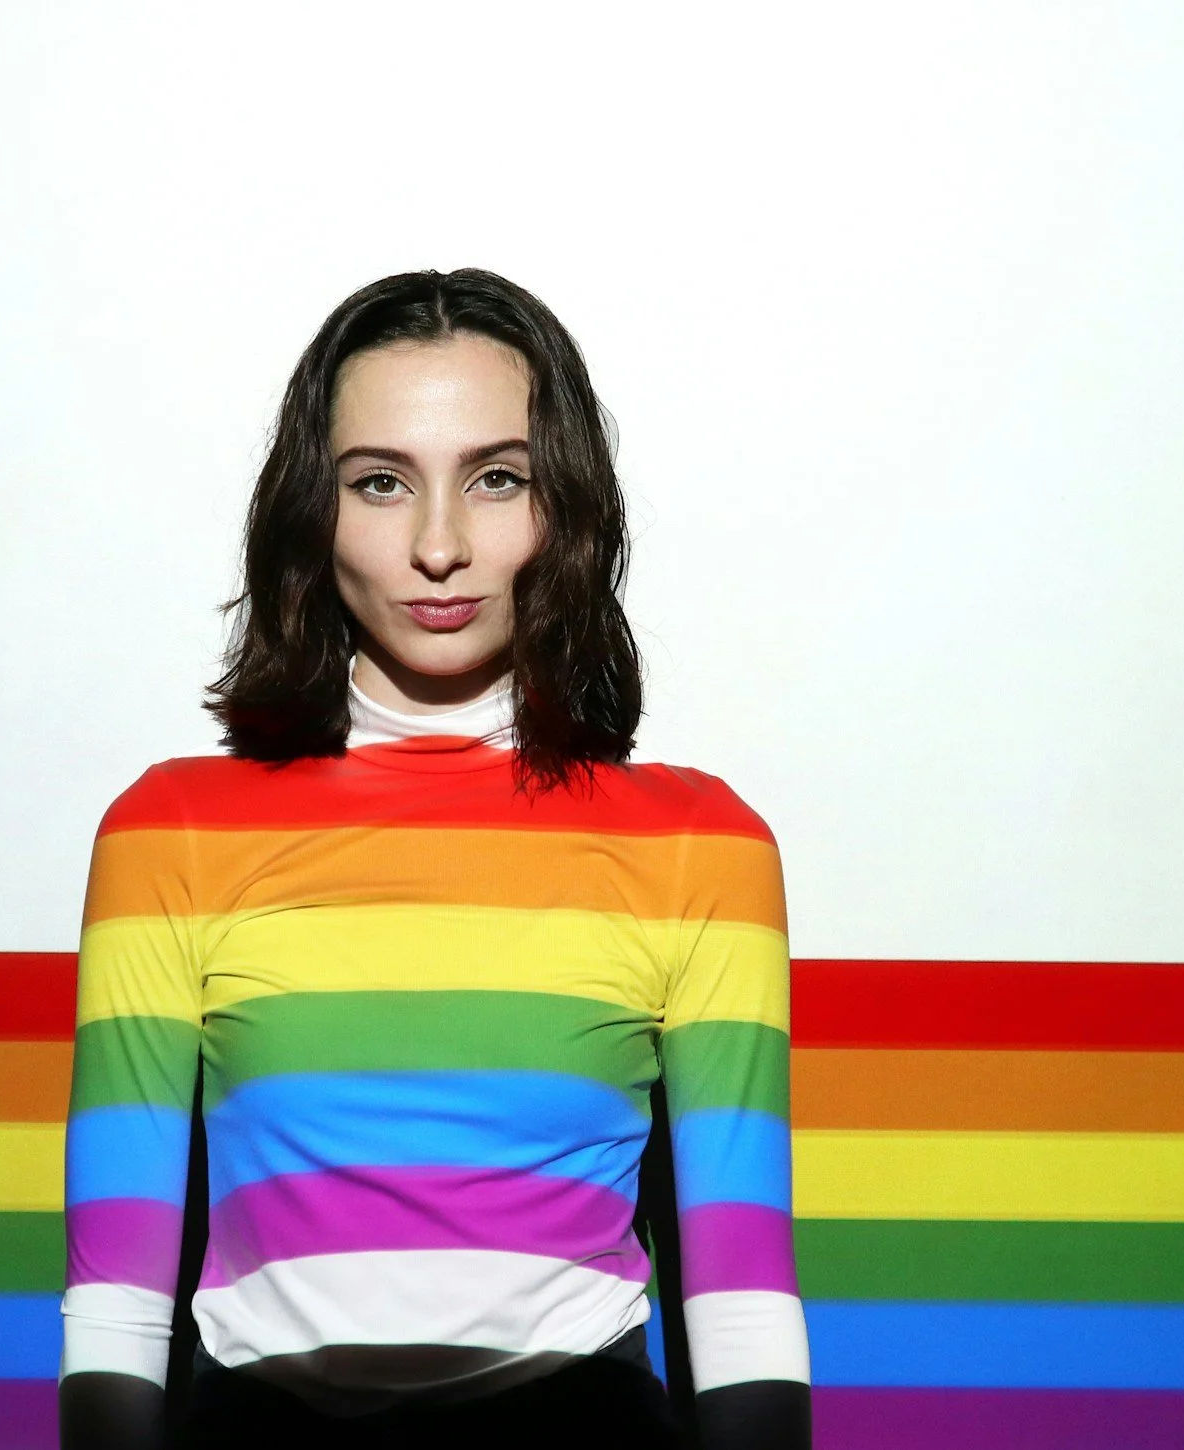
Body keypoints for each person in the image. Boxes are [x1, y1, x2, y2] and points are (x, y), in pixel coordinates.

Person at [57, 269, 809, 1449]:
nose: (440, 545)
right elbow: (115, 1309)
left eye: (497, 478)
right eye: (380, 482)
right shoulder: (171, 832)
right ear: (311, 510)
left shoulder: (697, 846)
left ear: (568, 507)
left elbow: (742, 1306)